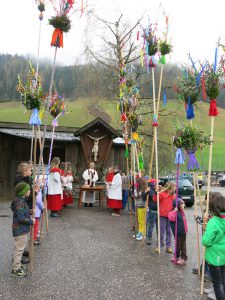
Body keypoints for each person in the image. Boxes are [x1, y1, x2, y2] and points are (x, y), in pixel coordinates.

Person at [202, 193, 225, 300]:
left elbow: (206, 241)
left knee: (218, 284)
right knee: (223, 281)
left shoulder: (213, 222)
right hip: (224, 255)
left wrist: (206, 225)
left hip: (215, 257)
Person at [11, 182, 36, 277]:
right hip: (20, 230)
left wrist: (29, 212)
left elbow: (22, 213)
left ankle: (17, 265)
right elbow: (21, 218)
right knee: (19, 250)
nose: (30, 191)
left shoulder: (21, 201)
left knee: (19, 249)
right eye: (28, 190)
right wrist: (31, 221)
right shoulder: (20, 202)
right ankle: (15, 270)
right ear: (23, 192)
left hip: (22, 229)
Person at [153, 181, 176, 254]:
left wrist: (175, 208)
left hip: (170, 216)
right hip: (162, 215)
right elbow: (155, 199)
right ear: (170, 188)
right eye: (174, 187)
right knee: (161, 231)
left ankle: (168, 246)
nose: (175, 189)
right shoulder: (162, 194)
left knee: (169, 231)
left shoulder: (173, 196)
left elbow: (175, 204)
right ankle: (159, 245)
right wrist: (156, 193)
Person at [168, 198, 188, 265]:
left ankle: (183, 258)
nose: (184, 205)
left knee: (183, 246)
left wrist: (186, 229)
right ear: (177, 205)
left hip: (183, 232)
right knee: (178, 245)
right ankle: (176, 256)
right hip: (177, 233)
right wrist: (174, 211)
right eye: (182, 204)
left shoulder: (182, 212)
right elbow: (171, 218)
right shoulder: (172, 212)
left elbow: (184, 221)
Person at [144, 179, 158, 245]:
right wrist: (146, 192)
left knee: (159, 226)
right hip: (152, 210)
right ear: (153, 184)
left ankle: (159, 239)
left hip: (159, 210)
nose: (157, 184)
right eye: (156, 183)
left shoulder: (159, 189)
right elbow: (144, 198)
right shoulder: (150, 190)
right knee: (151, 225)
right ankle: (149, 238)